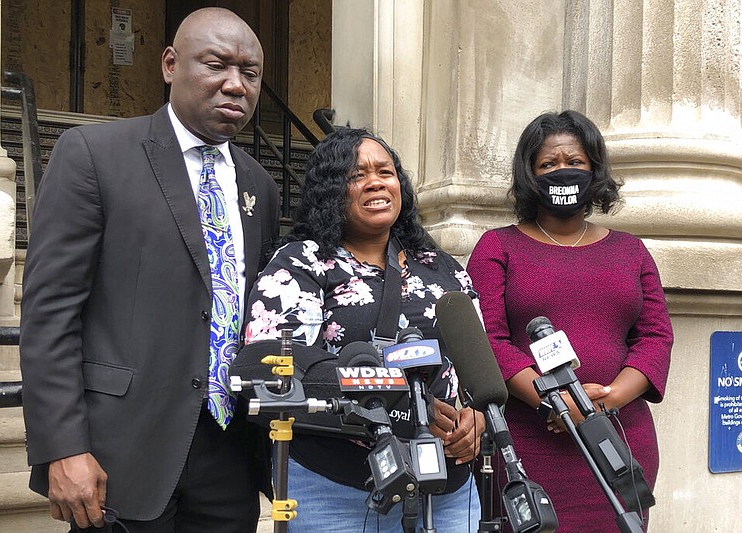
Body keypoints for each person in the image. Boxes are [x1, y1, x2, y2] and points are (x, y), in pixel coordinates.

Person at [19, 7, 279, 532]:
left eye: (249, 74)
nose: (235, 86)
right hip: (122, 453)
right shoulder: (94, 155)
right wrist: (63, 447)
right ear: (169, 64)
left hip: (229, 456)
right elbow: (49, 314)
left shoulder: (260, 186)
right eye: (216, 66)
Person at [240, 127, 485, 532]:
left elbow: (476, 360)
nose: (375, 181)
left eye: (385, 171)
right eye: (356, 175)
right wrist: (404, 406)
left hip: (445, 487)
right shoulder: (303, 263)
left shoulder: (437, 265)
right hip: (337, 486)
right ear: (330, 191)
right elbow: (278, 363)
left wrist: (475, 416)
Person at [466, 110, 673, 532]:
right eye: (548, 164)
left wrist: (605, 402)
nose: (563, 171)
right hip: (529, 442)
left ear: (594, 170)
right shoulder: (497, 247)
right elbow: (488, 340)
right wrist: (557, 405)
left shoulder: (630, 251)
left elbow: (655, 337)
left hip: (618, 439)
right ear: (529, 174)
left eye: (575, 162)